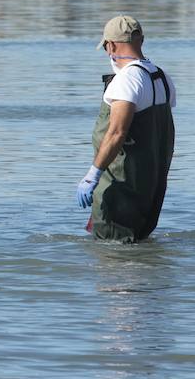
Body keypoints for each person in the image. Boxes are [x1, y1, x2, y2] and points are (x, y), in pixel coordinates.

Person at [75, 16, 176, 242]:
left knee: (111, 257)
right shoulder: (162, 78)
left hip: (120, 188)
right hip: (150, 189)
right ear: (142, 40)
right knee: (137, 250)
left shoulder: (126, 80)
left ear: (110, 45)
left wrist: (92, 176)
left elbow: (117, 132)